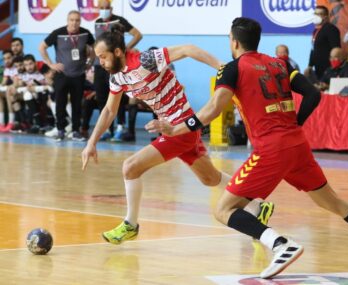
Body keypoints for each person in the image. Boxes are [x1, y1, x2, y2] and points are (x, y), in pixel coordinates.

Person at [146, 17, 348, 279]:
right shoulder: (280, 63)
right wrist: (295, 124)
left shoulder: (233, 68)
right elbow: (314, 95)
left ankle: (281, 244)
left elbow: (214, 108)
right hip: (297, 144)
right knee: (333, 202)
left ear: (234, 41)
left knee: (223, 210)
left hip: (271, 149)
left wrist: (176, 128)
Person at [81, 25, 274, 245]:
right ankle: (255, 206)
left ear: (117, 52)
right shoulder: (116, 78)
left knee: (130, 167)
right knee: (210, 178)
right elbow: (108, 110)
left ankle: (130, 225)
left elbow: (187, 49)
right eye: (99, 58)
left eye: (103, 57)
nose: (101, 63)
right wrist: (91, 142)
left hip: (181, 127)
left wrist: (224, 68)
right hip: (175, 129)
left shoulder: (145, 60)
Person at [39, 10, 95, 141]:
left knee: (77, 104)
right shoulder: (58, 33)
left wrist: (90, 62)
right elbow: (41, 47)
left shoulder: (85, 33)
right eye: (72, 20)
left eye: (77, 20)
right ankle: (60, 130)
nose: (74, 23)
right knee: (60, 103)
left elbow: (95, 48)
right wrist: (51, 64)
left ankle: (76, 131)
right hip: (62, 75)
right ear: (67, 20)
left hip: (79, 74)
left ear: (80, 21)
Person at [94, 0, 142, 142]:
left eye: (106, 8)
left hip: (115, 64)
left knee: (118, 97)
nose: (104, 10)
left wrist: (125, 49)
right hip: (100, 65)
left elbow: (137, 34)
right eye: (101, 8)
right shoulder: (97, 22)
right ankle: (107, 129)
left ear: (111, 8)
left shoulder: (119, 21)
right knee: (102, 96)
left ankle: (120, 128)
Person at [304, 5, 340, 81]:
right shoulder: (316, 31)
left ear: (326, 17)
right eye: (315, 13)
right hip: (318, 68)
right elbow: (314, 49)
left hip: (328, 69)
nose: (316, 16)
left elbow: (336, 49)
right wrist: (310, 65)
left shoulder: (331, 29)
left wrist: (333, 68)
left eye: (319, 14)